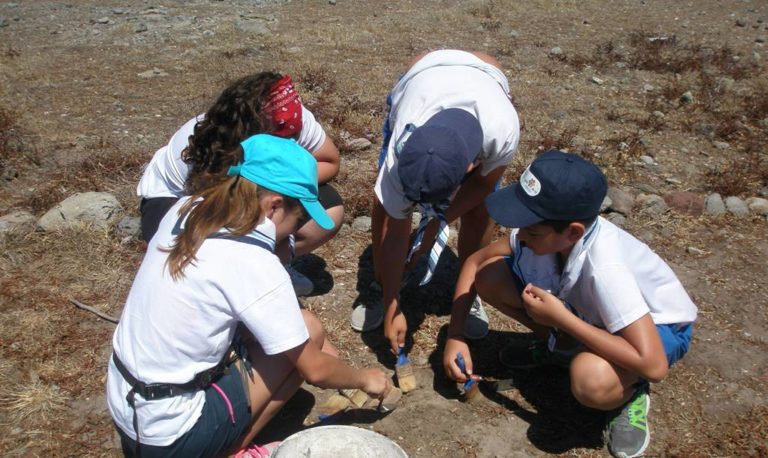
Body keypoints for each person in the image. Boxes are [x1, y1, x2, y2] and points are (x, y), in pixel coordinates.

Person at [108, 134, 390, 458]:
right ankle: (231, 451)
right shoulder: (254, 264)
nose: (295, 232)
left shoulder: (190, 209)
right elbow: (317, 371)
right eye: (298, 220)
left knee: (304, 326)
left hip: (127, 404)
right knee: (307, 338)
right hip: (170, 436)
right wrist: (365, 379)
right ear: (273, 206)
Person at [442, 150, 697, 458]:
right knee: (491, 275)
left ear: (574, 231)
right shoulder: (547, 233)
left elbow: (654, 365)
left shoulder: (606, 269)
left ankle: (631, 391)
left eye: (531, 230)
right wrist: (456, 335)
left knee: (591, 380)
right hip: (594, 317)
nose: (520, 236)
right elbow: (474, 262)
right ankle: (560, 349)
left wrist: (562, 320)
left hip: (658, 329)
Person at [351, 49, 521, 353]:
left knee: (482, 210)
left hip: (486, 74)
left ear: (471, 164)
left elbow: (484, 183)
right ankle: (382, 288)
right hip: (423, 74)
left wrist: (432, 228)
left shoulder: (502, 129)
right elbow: (396, 217)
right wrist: (393, 304)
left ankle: (470, 290)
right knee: (385, 206)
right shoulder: (403, 143)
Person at [136, 72, 343, 295]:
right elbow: (216, 209)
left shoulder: (292, 119)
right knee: (198, 262)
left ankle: (269, 268)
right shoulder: (210, 142)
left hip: (249, 192)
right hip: (179, 200)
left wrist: (279, 185)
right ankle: (233, 284)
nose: (286, 142)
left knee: (328, 210)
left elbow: (329, 161)